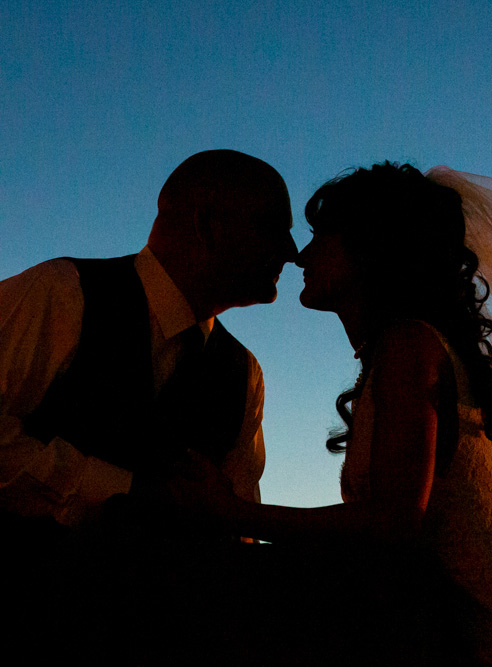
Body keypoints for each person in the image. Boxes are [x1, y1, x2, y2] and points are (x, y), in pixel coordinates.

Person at [172, 162, 492, 665]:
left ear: (371, 248)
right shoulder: (397, 351)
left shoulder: (407, 345)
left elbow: (392, 524)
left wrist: (227, 511)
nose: (300, 255)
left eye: (322, 237)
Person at [0, 149, 298, 658]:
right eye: (273, 226)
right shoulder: (60, 293)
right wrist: (126, 491)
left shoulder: (245, 374)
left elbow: (237, 519)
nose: (292, 251)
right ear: (207, 223)